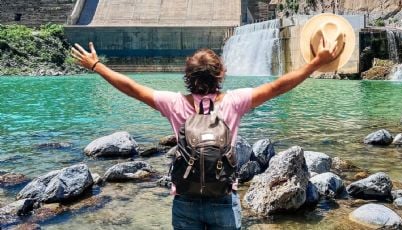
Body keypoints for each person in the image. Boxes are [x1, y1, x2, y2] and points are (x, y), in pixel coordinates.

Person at [71, 34, 341, 229]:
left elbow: (131, 87)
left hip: (185, 198)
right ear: (221, 74)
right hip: (223, 197)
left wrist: (97, 66)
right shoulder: (235, 101)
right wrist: (315, 63)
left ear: (187, 76)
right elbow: (278, 86)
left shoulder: (173, 103)